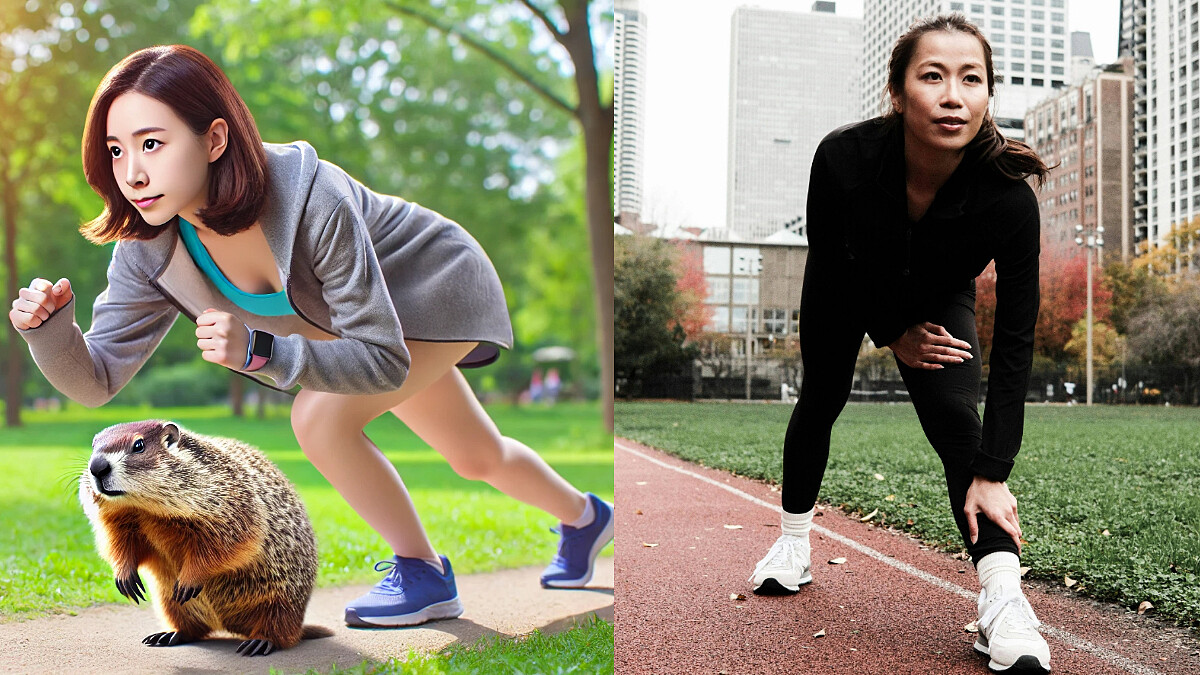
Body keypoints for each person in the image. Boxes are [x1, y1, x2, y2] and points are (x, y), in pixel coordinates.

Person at [9, 44, 613, 629]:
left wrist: (260, 350)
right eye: (116, 151)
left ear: (214, 139)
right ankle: (586, 518)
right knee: (476, 455)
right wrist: (50, 332)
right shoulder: (148, 245)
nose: (132, 173)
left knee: (320, 420)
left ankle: (423, 572)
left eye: (151, 144)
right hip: (352, 336)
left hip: (434, 290)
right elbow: (95, 383)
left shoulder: (313, 198)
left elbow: (381, 358)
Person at [746, 15, 1051, 674]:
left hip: (939, 296)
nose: (953, 96)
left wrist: (994, 468)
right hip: (847, 281)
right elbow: (832, 257)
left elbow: (1016, 342)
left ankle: (1002, 596)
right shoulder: (843, 158)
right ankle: (793, 542)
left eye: (971, 79)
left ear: (988, 94)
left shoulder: (1007, 199)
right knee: (822, 395)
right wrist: (891, 333)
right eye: (932, 76)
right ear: (896, 91)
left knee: (954, 417)